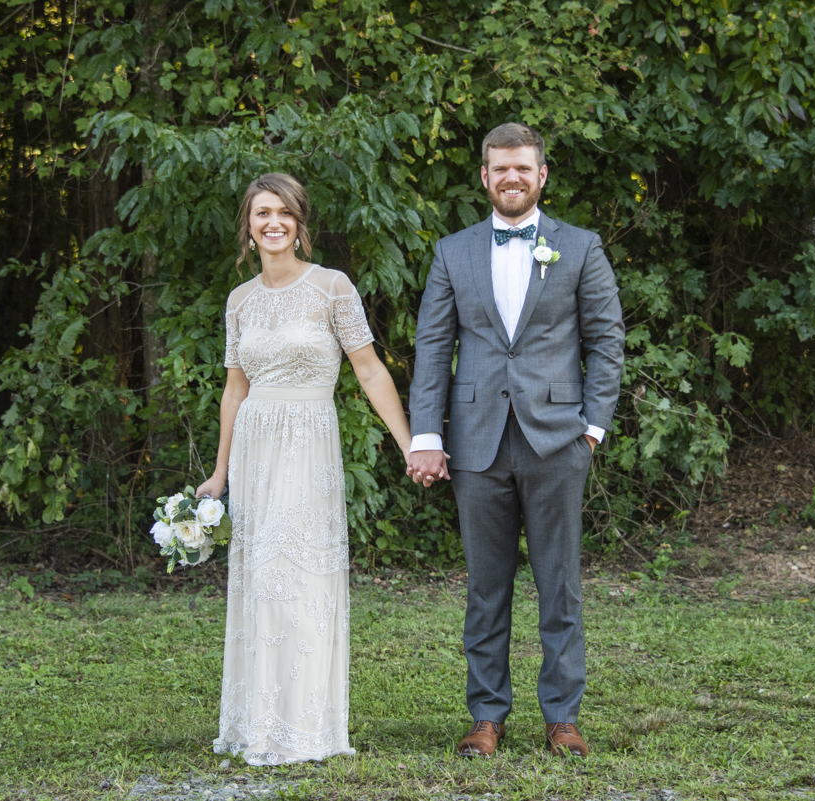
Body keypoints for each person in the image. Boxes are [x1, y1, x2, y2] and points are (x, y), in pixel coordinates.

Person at [406, 123, 625, 758]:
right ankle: (487, 716)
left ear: (541, 175)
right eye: (500, 169)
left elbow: (606, 342)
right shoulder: (453, 252)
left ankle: (563, 717)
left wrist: (592, 429)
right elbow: (433, 347)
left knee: (560, 585)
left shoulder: (580, 248)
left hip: (558, 441)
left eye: (522, 169)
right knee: (485, 586)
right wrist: (427, 434)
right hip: (475, 443)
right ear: (484, 176)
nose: (511, 178)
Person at [196, 173, 412, 766]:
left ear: (298, 224)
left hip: (310, 444)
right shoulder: (239, 300)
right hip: (255, 451)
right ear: (248, 225)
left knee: (304, 580)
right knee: (262, 580)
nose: (273, 222)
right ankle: (258, 724)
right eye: (262, 213)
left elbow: (368, 370)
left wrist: (408, 444)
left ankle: (307, 728)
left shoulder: (331, 288)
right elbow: (234, 389)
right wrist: (219, 474)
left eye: (284, 213)